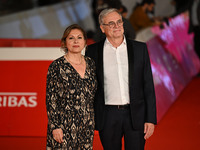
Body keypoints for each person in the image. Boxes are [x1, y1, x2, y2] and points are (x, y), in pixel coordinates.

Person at [86, 8, 157, 150]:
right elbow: (90, 87)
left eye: (119, 22)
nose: (117, 26)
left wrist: (150, 118)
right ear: (102, 28)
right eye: (111, 23)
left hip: (135, 114)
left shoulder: (139, 49)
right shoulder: (92, 51)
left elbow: (148, 85)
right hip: (107, 116)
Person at [46, 24, 97, 149]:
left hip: (87, 126)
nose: (75, 41)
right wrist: (55, 126)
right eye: (71, 38)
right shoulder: (56, 66)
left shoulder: (91, 64)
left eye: (79, 38)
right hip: (63, 126)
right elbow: (51, 99)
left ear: (85, 41)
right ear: (65, 42)